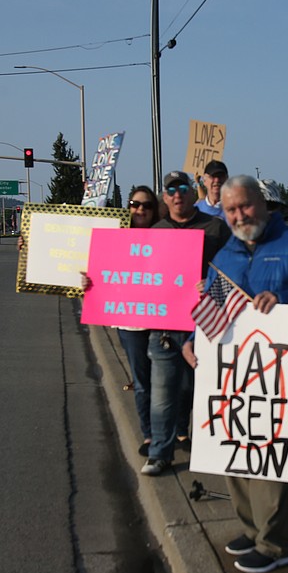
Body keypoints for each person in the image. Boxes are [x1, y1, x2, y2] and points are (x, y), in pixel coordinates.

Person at [182, 175, 288, 573]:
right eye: (231, 209)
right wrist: (190, 340)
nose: (238, 215)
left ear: (264, 204)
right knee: (234, 453)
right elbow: (210, 305)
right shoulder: (226, 256)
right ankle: (252, 531)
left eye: (246, 206)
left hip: (281, 375)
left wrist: (285, 299)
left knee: (271, 461)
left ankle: (276, 544)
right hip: (234, 377)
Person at [142, 171, 231, 477]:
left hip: (208, 325)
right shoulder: (156, 230)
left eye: (183, 188)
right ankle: (159, 454)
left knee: (203, 393)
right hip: (165, 328)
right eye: (171, 190)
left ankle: (216, 450)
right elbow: (138, 276)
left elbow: (234, 270)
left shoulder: (216, 228)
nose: (177, 194)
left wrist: (214, 282)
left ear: (194, 192)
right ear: (165, 198)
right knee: (163, 394)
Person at [116, 185, 160, 456]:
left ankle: (175, 431)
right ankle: (149, 435)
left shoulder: (165, 234)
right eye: (134, 203)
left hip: (163, 320)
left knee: (169, 381)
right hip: (130, 322)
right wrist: (29, 242)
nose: (140, 209)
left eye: (145, 204)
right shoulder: (117, 236)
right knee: (142, 382)